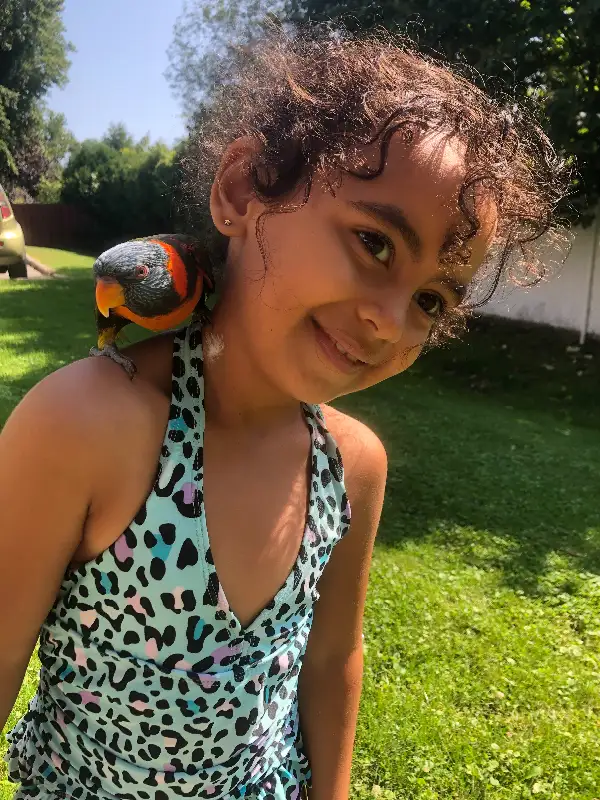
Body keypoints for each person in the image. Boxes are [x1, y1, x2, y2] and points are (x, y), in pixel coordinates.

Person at [0, 28, 567, 800]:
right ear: (241, 190)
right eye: (373, 242)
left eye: (431, 301)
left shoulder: (354, 467)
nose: (391, 320)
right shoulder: (86, 424)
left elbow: (333, 660)